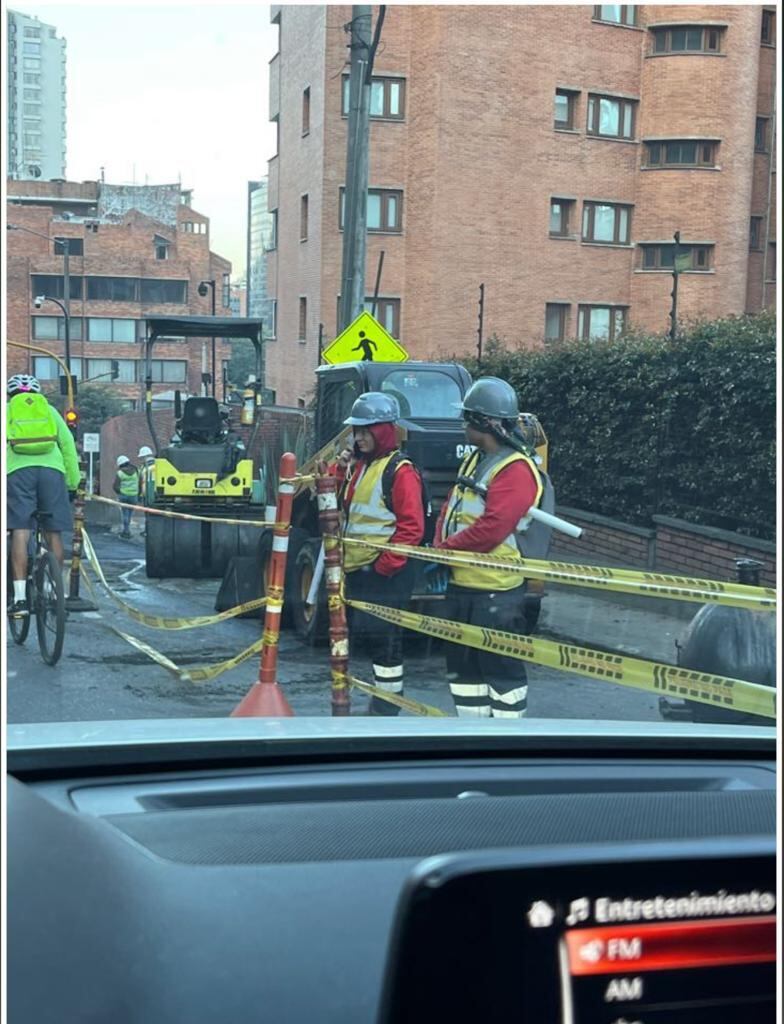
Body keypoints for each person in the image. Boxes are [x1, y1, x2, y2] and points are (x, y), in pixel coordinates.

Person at [434, 377, 543, 718]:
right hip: (464, 586)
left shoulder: (516, 469)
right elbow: (452, 507)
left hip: (497, 592)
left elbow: (493, 528)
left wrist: (445, 550)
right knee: (465, 674)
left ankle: (507, 739)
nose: (463, 425)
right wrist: (438, 547)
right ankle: (472, 735)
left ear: (484, 423)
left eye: (467, 418)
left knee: (502, 673)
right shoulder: (476, 460)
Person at [338, 392, 425, 715]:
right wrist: (341, 469)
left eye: (365, 431)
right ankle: (381, 701)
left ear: (383, 431)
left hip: (385, 574)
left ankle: (387, 707)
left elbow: (411, 528)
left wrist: (384, 568)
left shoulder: (400, 471)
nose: (359, 438)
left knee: (386, 643)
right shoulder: (362, 466)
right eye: (356, 431)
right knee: (373, 641)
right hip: (362, 570)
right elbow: (337, 504)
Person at [6, 374, 80, 617]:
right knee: (53, 532)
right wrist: (72, 482)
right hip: (52, 472)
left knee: (20, 529)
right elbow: (68, 446)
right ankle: (55, 594)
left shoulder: (7, 410)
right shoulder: (50, 411)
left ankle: (19, 599)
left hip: (18, 473)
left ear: (10, 394)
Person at [113, 455, 139, 539]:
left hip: (124, 495)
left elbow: (115, 486)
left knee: (125, 513)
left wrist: (119, 492)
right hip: (134, 496)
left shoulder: (120, 473)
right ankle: (127, 530)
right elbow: (140, 481)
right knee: (130, 514)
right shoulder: (136, 471)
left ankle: (126, 531)